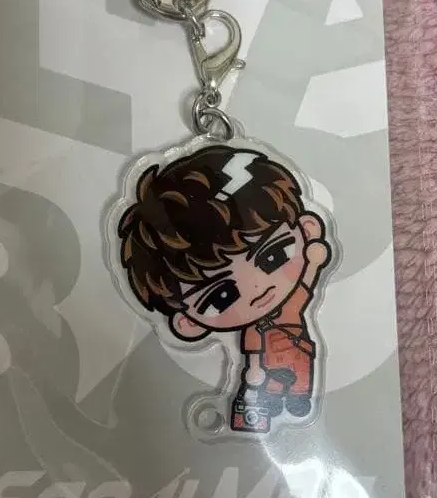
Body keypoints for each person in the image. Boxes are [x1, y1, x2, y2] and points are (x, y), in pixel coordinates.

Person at [118, 145, 332, 429]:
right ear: (187, 322)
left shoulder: (289, 306)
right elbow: (254, 361)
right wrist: (253, 376)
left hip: (299, 354)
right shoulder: (256, 331)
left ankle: (295, 398)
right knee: (269, 391)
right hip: (276, 365)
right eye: (221, 296)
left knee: (298, 386)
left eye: (272, 256)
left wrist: (313, 261)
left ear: (306, 229)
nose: (257, 288)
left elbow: (307, 279)